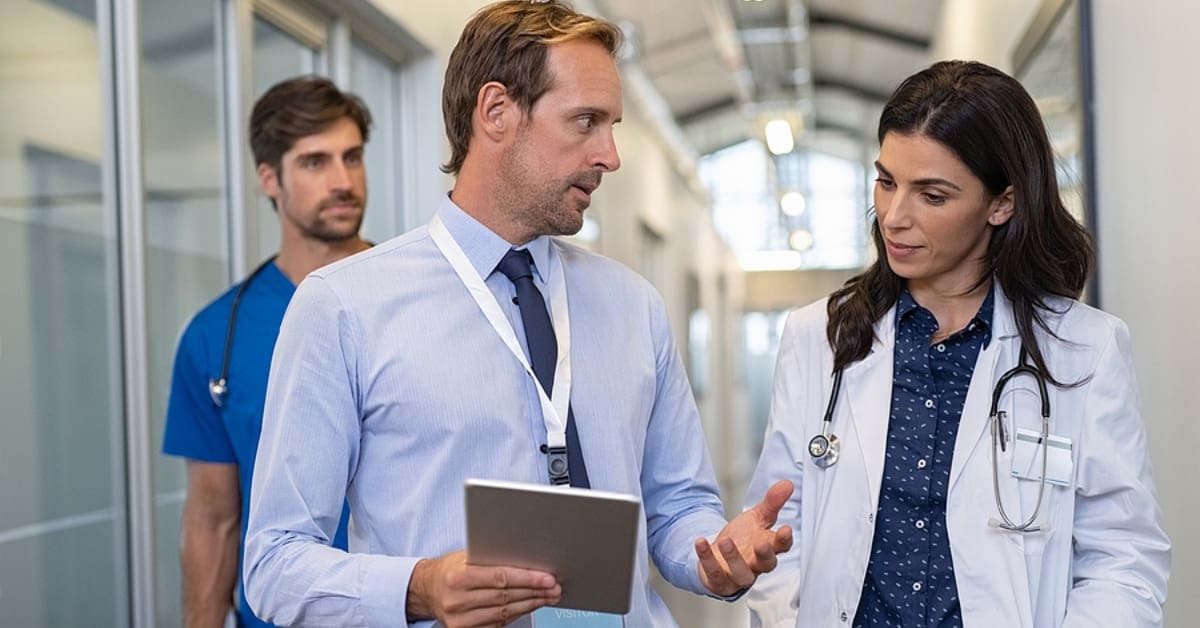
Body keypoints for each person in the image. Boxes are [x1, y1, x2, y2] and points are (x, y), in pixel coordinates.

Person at [242, 2, 793, 627]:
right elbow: (274, 563)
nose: (610, 155)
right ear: (497, 112)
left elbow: (677, 507)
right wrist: (419, 587)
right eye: (585, 121)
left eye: (611, 125)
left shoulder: (633, 306)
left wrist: (715, 555)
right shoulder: (344, 307)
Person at [744, 59, 1171, 627]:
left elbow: (1123, 557)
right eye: (886, 181)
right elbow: (778, 524)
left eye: (933, 195)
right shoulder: (819, 337)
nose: (894, 216)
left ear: (1002, 203)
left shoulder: (1085, 349)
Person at [162, 76, 373, 628]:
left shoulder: (419, 299)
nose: (343, 180)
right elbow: (213, 520)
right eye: (315, 162)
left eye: (352, 157)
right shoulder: (215, 337)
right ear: (269, 179)